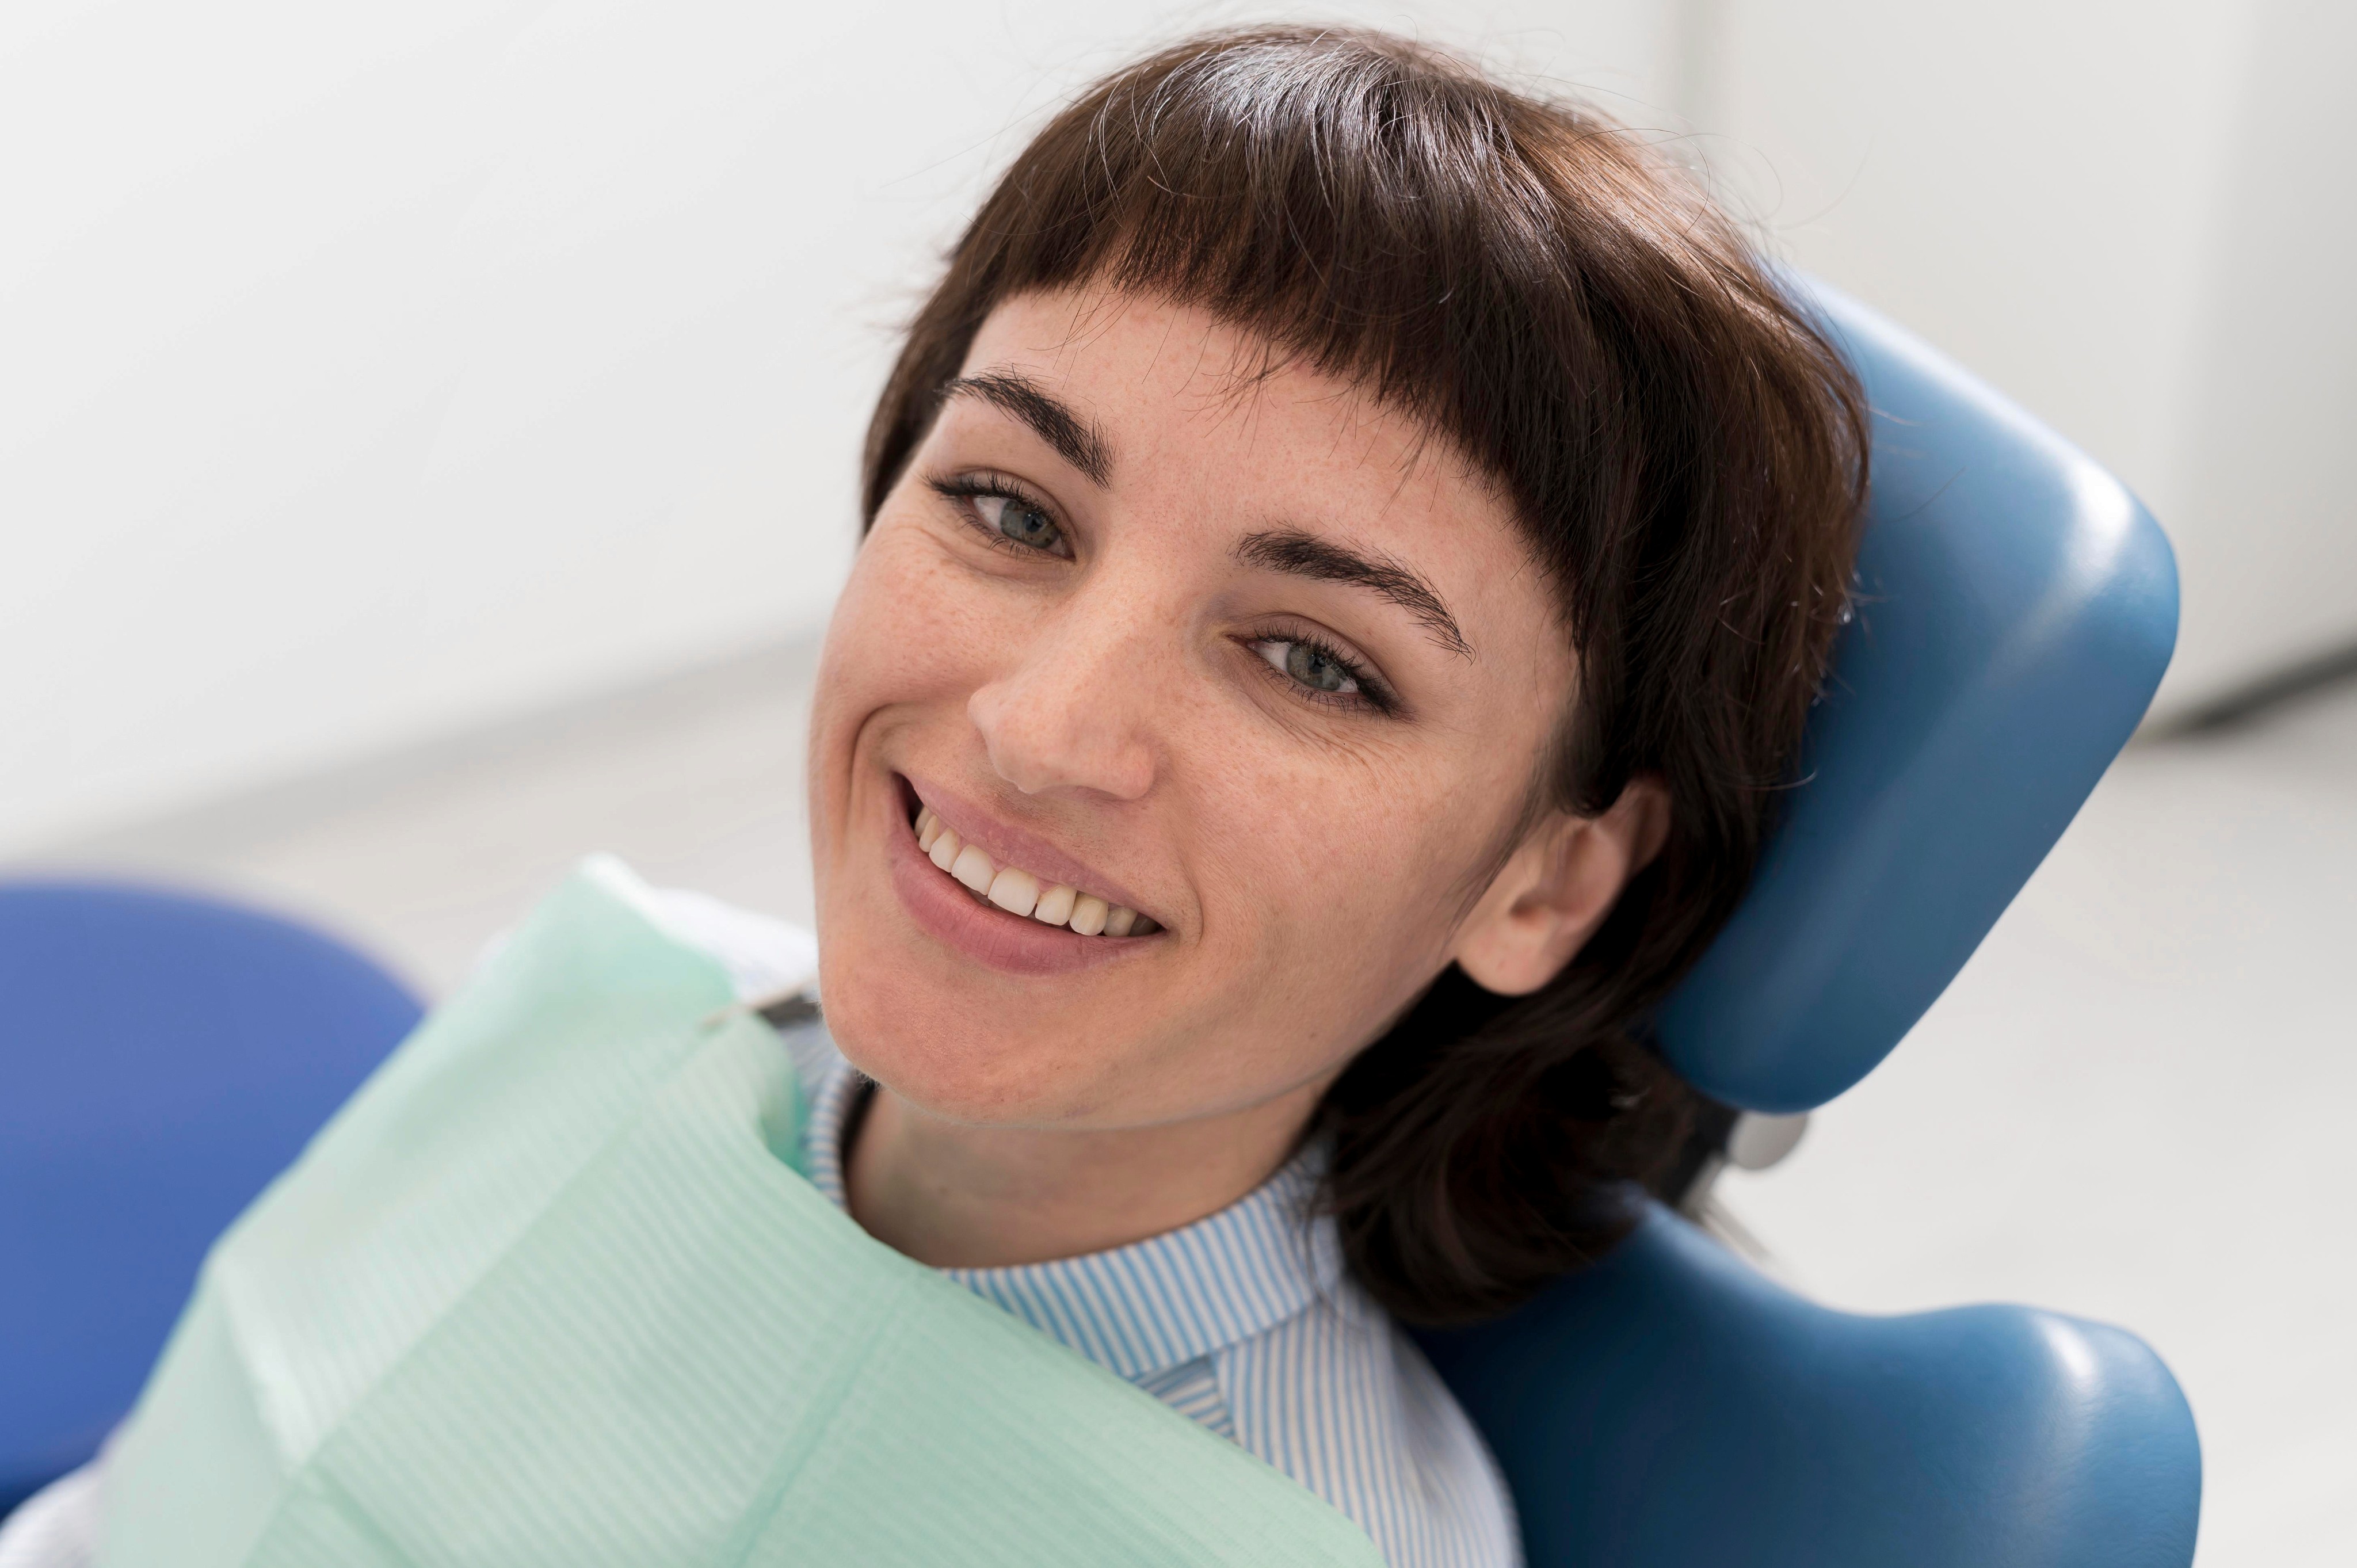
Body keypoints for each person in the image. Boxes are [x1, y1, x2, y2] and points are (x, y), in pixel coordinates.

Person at [0, 25, 1866, 1568]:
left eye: (1314, 658)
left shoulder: (1265, 1536)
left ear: (1547, 880)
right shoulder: (628, 1004)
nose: (1043, 730)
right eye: (1011, 508)